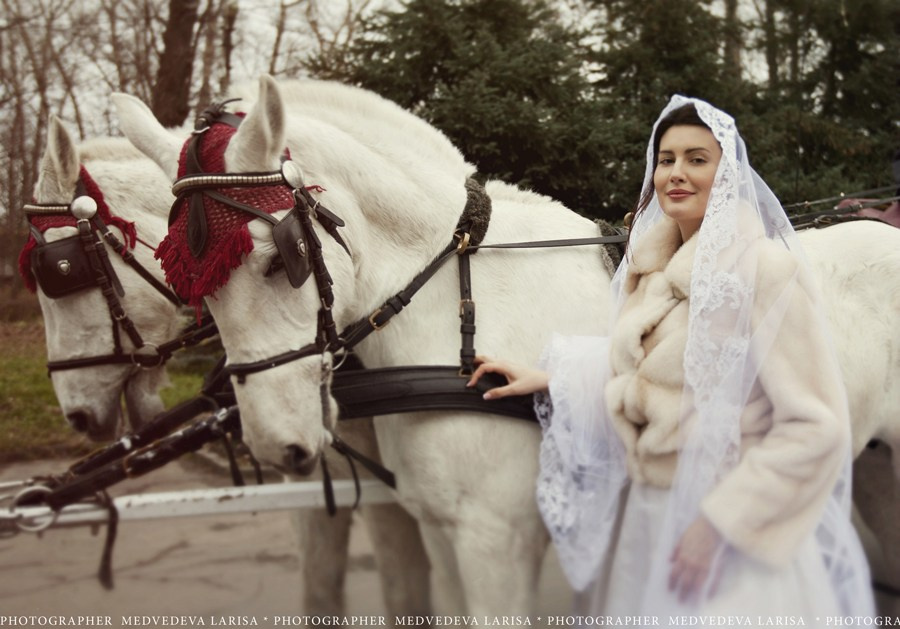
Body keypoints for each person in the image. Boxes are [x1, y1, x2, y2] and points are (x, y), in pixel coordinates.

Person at [468, 96, 874, 620]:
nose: (676, 173)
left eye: (696, 159)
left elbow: (817, 427)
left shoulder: (765, 272)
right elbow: (649, 375)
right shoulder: (650, 274)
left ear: (727, 176)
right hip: (648, 523)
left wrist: (721, 526)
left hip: (729, 537)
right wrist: (550, 378)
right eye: (666, 160)